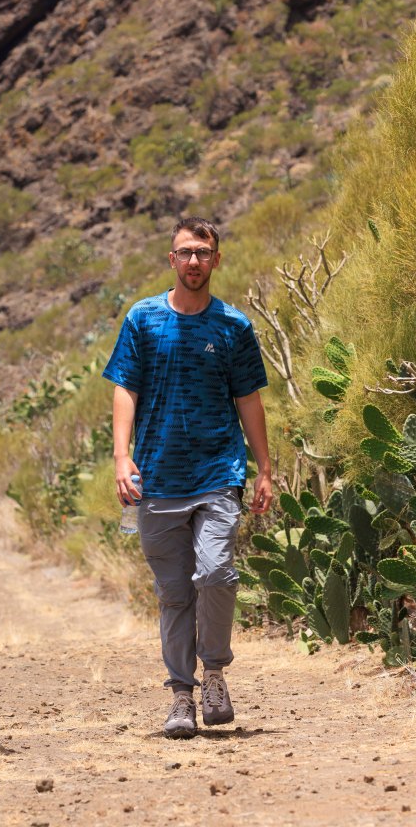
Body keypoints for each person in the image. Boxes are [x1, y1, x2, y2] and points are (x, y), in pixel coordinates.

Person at [102, 216, 272, 739]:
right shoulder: (142, 319)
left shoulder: (234, 326)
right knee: (174, 591)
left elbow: (248, 398)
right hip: (157, 478)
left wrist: (265, 467)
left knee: (216, 573)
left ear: (216, 259)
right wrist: (121, 457)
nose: (194, 261)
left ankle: (215, 672)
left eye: (203, 252)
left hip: (219, 471)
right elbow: (125, 389)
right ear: (171, 259)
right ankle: (181, 694)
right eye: (185, 252)